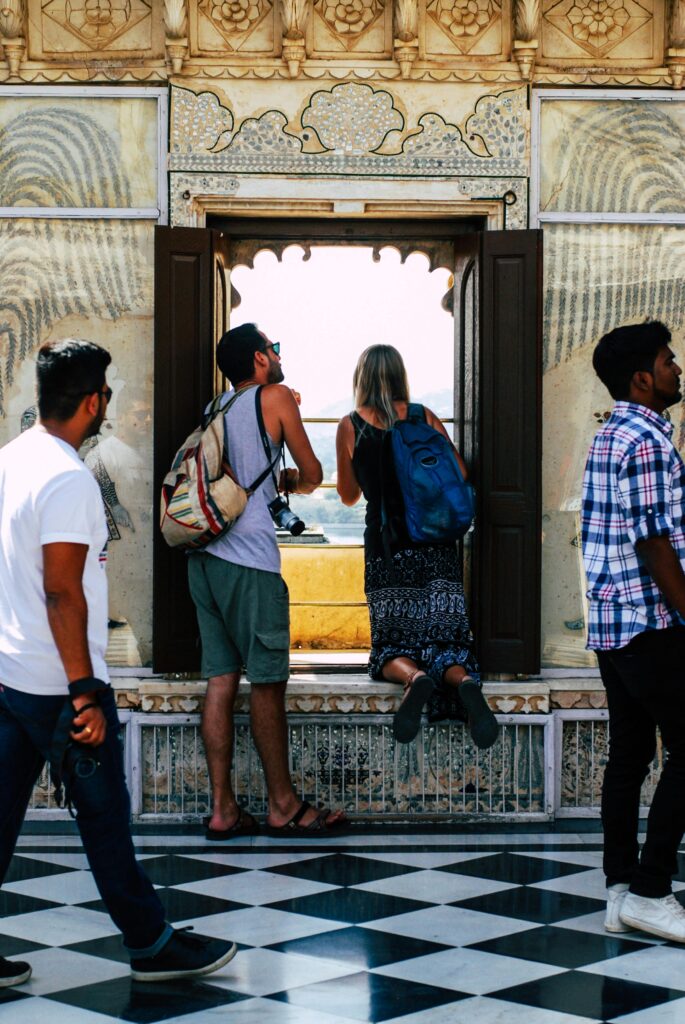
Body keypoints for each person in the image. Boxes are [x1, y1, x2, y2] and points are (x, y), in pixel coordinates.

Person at [0, 339, 237, 989]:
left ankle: (149, 938)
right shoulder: (69, 478)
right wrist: (83, 694)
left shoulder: (10, 460)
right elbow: (62, 591)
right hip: (58, 684)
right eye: (107, 394)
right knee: (104, 820)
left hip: (9, 673)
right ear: (93, 400)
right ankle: (151, 943)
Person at [188, 323, 347, 838]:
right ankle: (282, 805)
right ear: (259, 359)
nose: (278, 357)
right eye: (274, 350)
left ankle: (223, 809)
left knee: (220, 680)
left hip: (204, 558)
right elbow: (314, 471)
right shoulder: (275, 397)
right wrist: (293, 480)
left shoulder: (218, 407)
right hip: (250, 563)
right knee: (268, 684)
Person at [335, 344, 497, 748]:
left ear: (362, 379)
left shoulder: (351, 424)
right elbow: (459, 472)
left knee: (391, 645)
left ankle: (414, 678)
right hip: (437, 545)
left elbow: (348, 495)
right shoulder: (425, 416)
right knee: (447, 641)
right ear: (400, 375)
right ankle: (461, 681)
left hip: (388, 550)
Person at [581, 319, 685, 942]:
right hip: (650, 621)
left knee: (630, 755)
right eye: (669, 361)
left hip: (614, 622)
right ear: (643, 379)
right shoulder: (645, 441)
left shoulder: (611, 434)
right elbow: (653, 540)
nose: (677, 369)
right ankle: (651, 891)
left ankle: (620, 890)